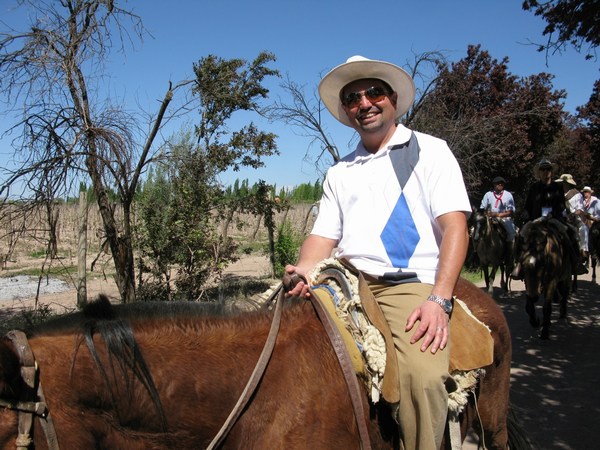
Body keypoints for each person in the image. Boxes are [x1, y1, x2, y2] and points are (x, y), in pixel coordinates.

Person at [284, 55, 471, 450]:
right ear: (347, 111)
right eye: (353, 98)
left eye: (374, 92)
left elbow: (455, 226)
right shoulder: (341, 170)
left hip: (408, 285)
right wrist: (302, 269)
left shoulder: (430, 151)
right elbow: (322, 237)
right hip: (346, 282)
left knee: (422, 378)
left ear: (393, 98)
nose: (364, 103)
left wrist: (440, 298)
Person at [511, 160, 583, 279]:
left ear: (551, 172)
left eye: (548, 169)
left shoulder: (558, 187)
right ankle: (519, 264)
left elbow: (561, 205)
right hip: (536, 220)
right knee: (521, 235)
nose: (545, 172)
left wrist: (553, 214)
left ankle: (575, 261)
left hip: (554, 219)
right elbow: (528, 206)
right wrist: (526, 215)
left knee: (571, 232)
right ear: (539, 173)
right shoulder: (534, 187)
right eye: (543, 170)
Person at [556, 173, 589, 267]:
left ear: (567, 183)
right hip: (559, 218)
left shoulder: (577, 194)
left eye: (564, 183)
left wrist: (572, 215)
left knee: (583, 229)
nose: (562, 184)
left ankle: (582, 251)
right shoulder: (558, 194)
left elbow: (580, 209)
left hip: (573, 218)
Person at [479, 176, 517, 243]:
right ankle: (476, 250)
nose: (500, 184)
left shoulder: (508, 195)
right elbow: (482, 208)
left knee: (512, 232)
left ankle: (510, 250)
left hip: (504, 218)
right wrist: (487, 213)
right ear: (494, 184)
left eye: (502, 183)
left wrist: (498, 214)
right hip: (489, 218)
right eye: (498, 183)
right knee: (475, 231)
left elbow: (511, 212)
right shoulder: (488, 195)